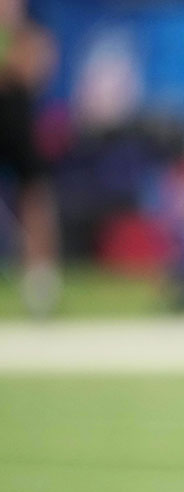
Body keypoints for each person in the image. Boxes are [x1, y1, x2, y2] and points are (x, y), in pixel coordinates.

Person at [0, 0, 59, 318]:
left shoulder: (28, 30)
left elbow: (36, 67)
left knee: (35, 196)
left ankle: (40, 283)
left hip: (16, 118)